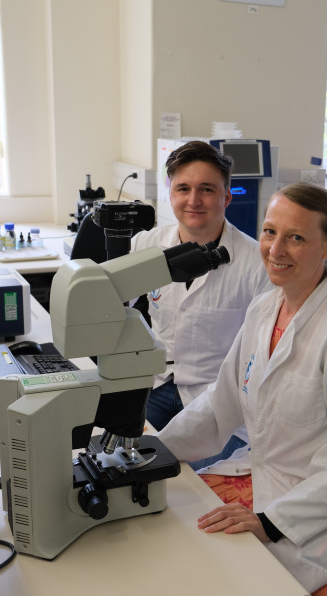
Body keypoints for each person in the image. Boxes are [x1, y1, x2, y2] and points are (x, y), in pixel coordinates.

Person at [157, 182, 327, 594]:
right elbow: (222, 401)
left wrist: (271, 523)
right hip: (265, 475)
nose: (275, 249)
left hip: (321, 517)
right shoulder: (266, 306)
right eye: (270, 232)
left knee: (211, 573)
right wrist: (157, 451)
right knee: (173, 530)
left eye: (297, 238)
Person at [131, 140, 271, 469]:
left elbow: (262, 354)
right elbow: (113, 308)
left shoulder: (255, 263)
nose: (193, 200)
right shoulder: (145, 245)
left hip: (219, 397)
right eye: (183, 188)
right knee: (131, 467)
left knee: (192, 484)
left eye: (206, 189)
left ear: (226, 197)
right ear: (170, 193)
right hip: (158, 385)